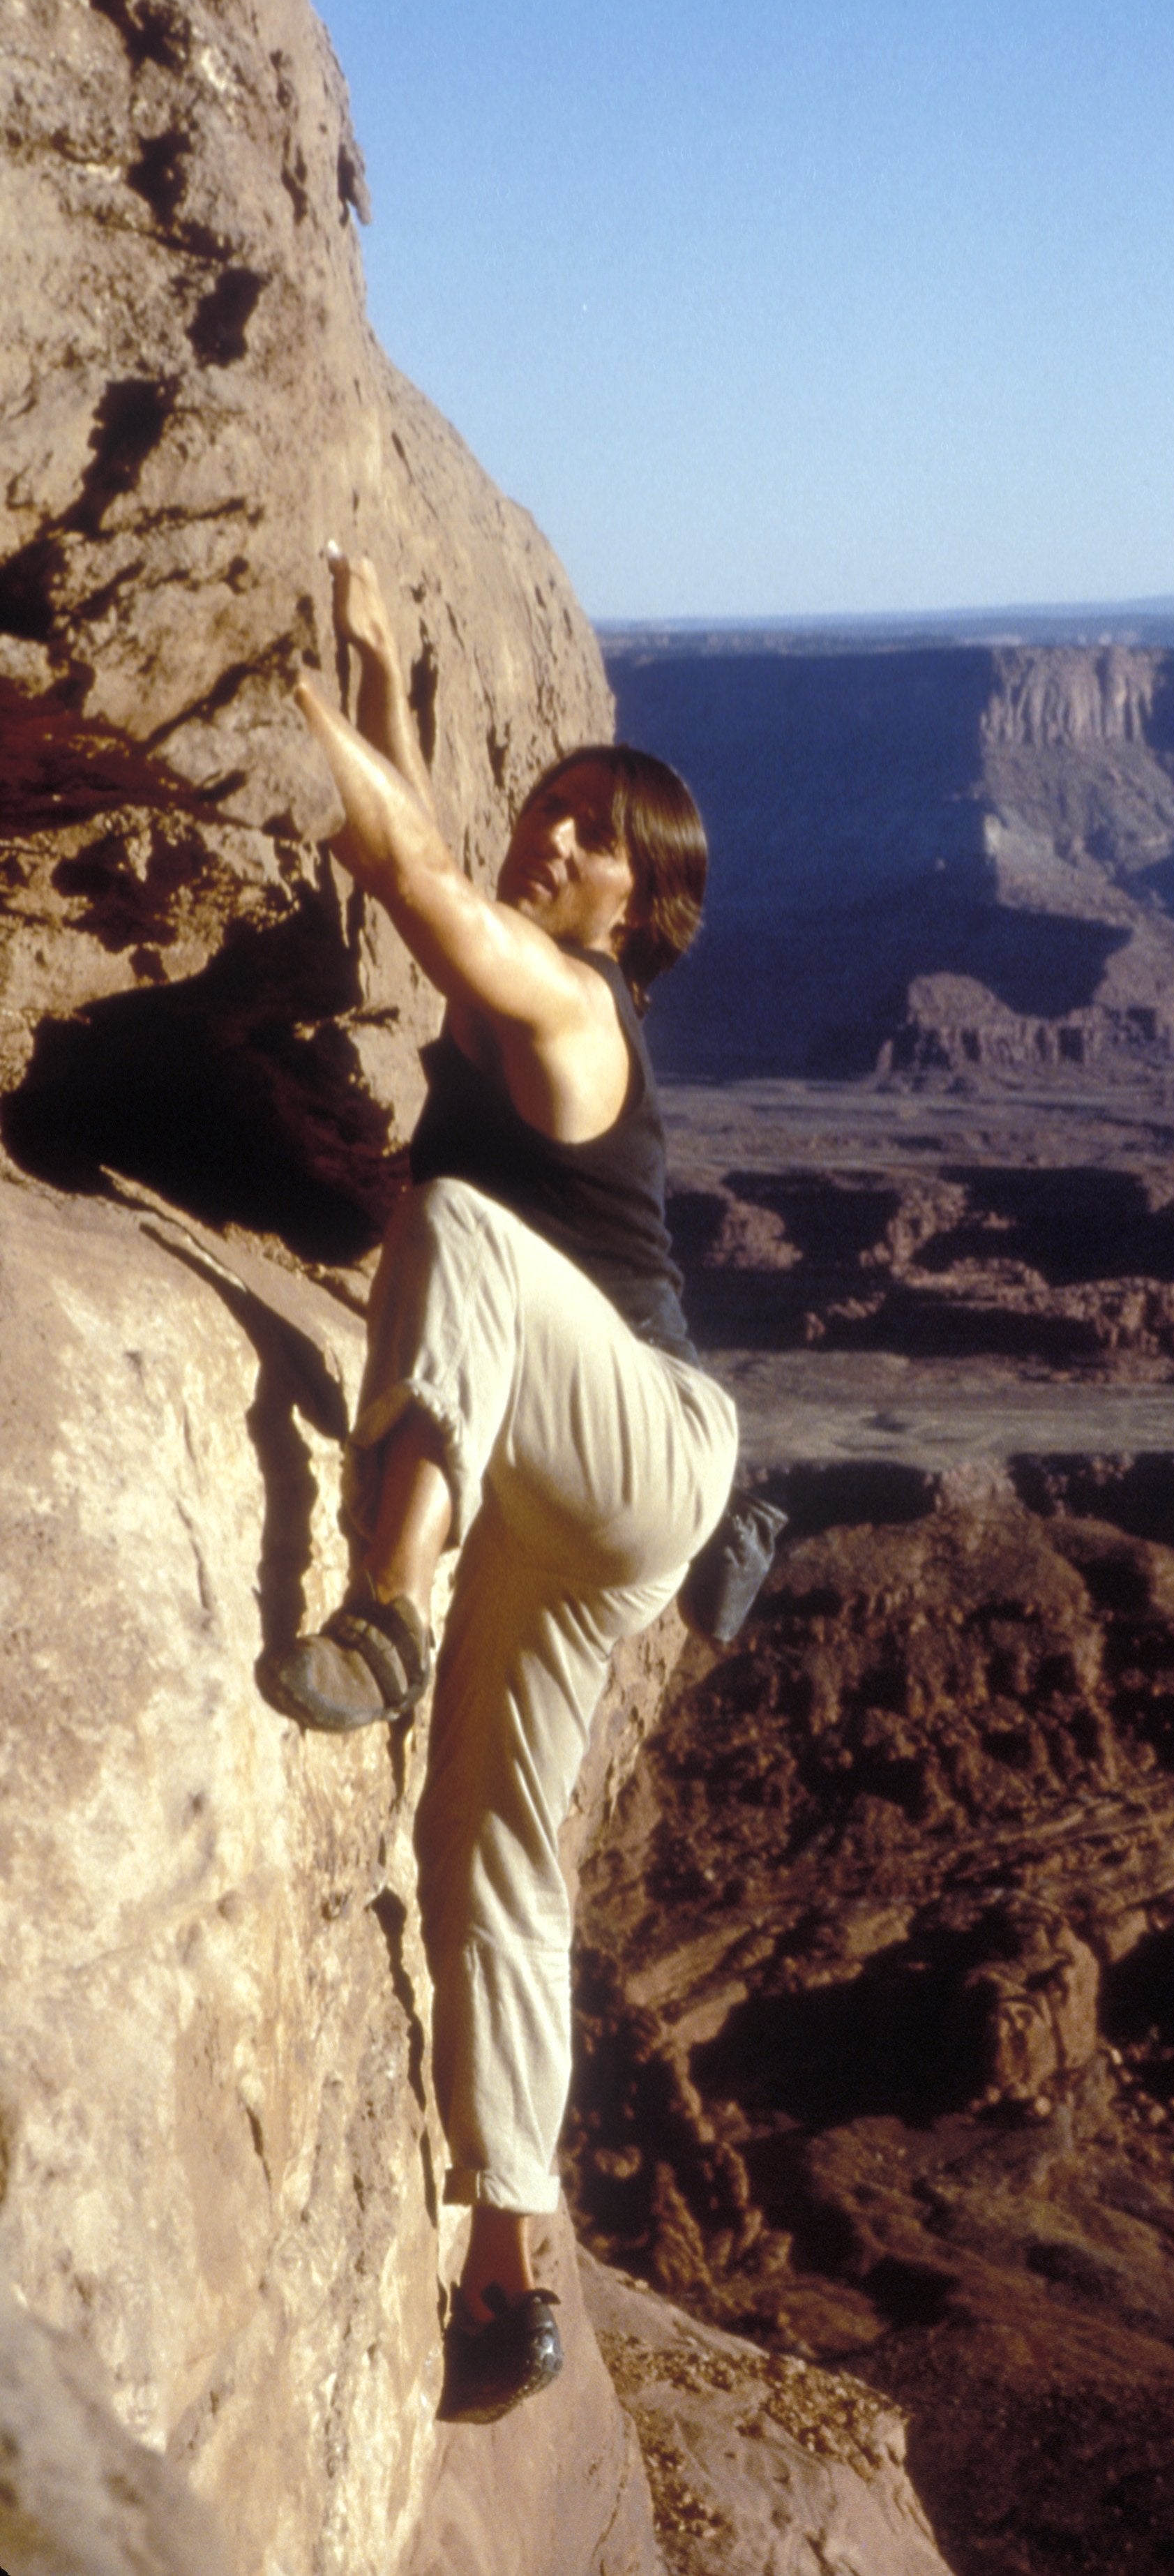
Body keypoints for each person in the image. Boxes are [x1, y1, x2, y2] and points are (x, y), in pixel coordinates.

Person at [273, 553, 738, 2425]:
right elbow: (446, 873)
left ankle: (386, 1601)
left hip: (640, 1443)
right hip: (572, 1502)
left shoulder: (567, 1013)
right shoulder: (513, 971)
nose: (550, 837)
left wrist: (311, 728)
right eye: (548, 808)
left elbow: (419, 883)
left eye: (592, 834)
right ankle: (505, 2272)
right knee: (491, 1856)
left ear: (645, 907)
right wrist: (383, 678)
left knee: (452, 1220)